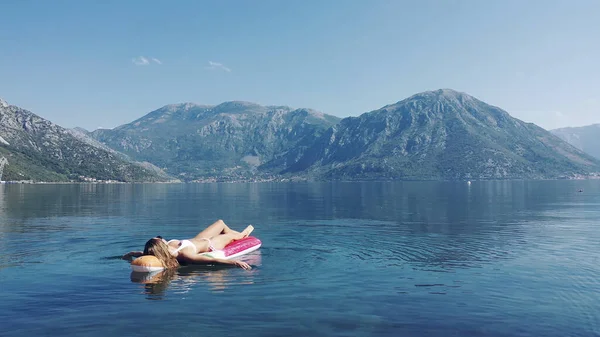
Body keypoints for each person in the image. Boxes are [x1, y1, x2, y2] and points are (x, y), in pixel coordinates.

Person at [123, 219, 254, 270]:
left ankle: (230, 231)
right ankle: (243, 234)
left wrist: (132, 254)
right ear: (161, 245)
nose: (161, 237)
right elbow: (211, 260)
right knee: (236, 236)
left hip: (198, 239)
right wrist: (235, 263)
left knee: (220, 223)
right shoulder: (184, 254)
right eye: (159, 238)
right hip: (210, 244)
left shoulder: (164, 250)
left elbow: (145, 253)